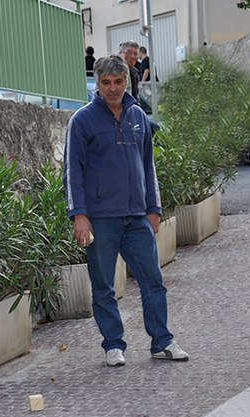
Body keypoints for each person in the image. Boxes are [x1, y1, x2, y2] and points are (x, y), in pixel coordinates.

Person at [63, 54, 189, 367]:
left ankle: (162, 341)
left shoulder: (139, 117)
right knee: (104, 286)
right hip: (100, 219)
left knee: (153, 280)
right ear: (97, 84)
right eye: (106, 82)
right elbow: (73, 171)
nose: (112, 88)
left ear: (126, 82)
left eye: (118, 82)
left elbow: (148, 165)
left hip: (136, 217)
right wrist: (79, 215)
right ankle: (113, 345)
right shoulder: (82, 121)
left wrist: (153, 208)